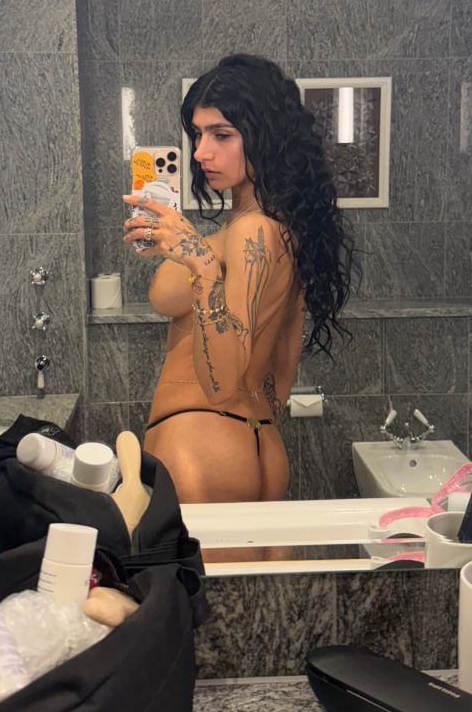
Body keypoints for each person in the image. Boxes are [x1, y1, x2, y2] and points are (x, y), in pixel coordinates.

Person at [122, 54, 354, 504]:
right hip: (260, 445)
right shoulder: (281, 231)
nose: (200, 152)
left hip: (197, 442)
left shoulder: (250, 232)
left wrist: (200, 262)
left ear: (267, 137)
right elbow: (284, 360)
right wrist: (245, 436)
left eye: (222, 135)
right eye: (197, 134)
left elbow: (221, 384)